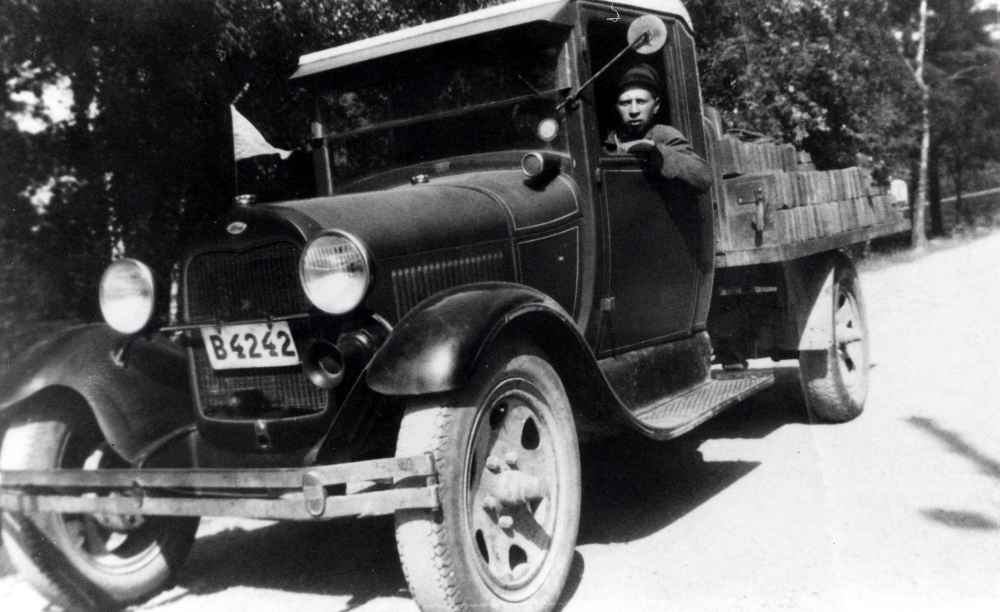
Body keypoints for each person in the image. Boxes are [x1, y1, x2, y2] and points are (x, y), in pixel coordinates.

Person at [604, 64, 712, 194]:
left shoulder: (664, 135)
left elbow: (703, 177)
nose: (633, 111)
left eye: (641, 102)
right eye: (625, 103)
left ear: (656, 106)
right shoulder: (607, 145)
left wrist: (654, 149)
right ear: (617, 107)